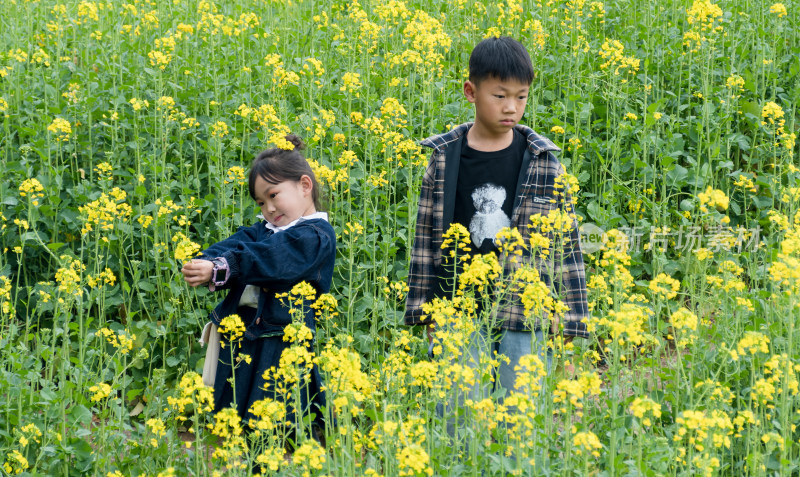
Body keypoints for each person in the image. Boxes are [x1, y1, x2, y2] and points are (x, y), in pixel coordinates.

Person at [404, 37, 589, 400]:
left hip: (525, 309)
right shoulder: (444, 159)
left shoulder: (544, 162)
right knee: (457, 414)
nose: (511, 107)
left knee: (519, 413)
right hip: (456, 308)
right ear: (470, 92)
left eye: (521, 97)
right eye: (500, 95)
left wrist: (571, 316)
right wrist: (424, 311)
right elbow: (425, 237)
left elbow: (567, 243)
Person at [181, 134, 336, 434]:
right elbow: (237, 244)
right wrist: (208, 263)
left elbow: (273, 260)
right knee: (233, 415)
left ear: (305, 186)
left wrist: (227, 266)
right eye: (261, 202)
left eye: (273, 195)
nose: (268, 208)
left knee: (276, 420)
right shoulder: (264, 230)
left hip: (282, 339)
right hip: (246, 331)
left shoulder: (316, 236)